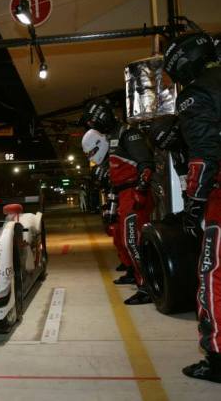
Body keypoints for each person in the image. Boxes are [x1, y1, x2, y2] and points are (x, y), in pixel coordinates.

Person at [163, 31, 221, 382]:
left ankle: (216, 360)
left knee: (212, 275)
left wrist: (193, 209)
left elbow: (204, 156)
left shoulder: (196, 94)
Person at [81, 100, 154, 305]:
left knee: (134, 241)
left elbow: (146, 164)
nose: (92, 125)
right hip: (125, 195)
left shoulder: (127, 133)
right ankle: (141, 282)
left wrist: (140, 190)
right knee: (127, 240)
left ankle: (146, 287)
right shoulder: (113, 136)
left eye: (93, 120)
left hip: (134, 194)